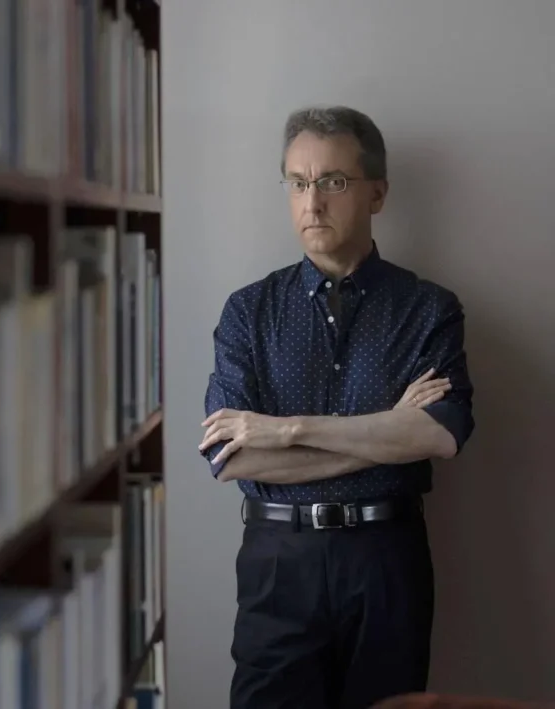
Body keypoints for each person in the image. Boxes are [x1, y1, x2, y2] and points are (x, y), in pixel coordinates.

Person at [198, 106, 475, 709]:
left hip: (386, 561)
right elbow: (231, 458)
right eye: (298, 183)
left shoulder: (429, 310)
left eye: (334, 181)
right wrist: (384, 437)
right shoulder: (248, 311)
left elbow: (440, 436)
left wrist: (287, 431)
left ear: (377, 193)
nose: (312, 202)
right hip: (278, 564)